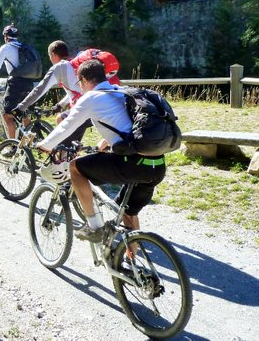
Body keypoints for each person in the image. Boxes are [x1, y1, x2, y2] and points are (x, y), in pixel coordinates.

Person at [35, 60, 166, 242]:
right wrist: (105, 142)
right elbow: (130, 126)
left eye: (79, 83)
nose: (79, 87)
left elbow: (67, 125)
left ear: (85, 79)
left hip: (133, 164)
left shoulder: (91, 98)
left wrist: (45, 144)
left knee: (75, 168)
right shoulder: (121, 91)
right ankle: (131, 264)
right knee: (127, 213)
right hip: (157, 165)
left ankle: (93, 227)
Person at [12, 40, 90, 144]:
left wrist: (21, 107)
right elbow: (76, 91)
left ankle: (62, 156)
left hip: (83, 110)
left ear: (53, 54)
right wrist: (60, 105)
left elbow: (39, 90)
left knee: (59, 144)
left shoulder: (59, 68)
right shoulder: (75, 65)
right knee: (63, 127)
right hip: (94, 106)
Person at [0, 24, 35, 140]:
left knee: (7, 115)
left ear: (6, 36)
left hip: (16, 83)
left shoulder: (6, 47)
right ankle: (27, 143)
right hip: (29, 82)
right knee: (24, 114)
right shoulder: (23, 47)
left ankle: (12, 146)